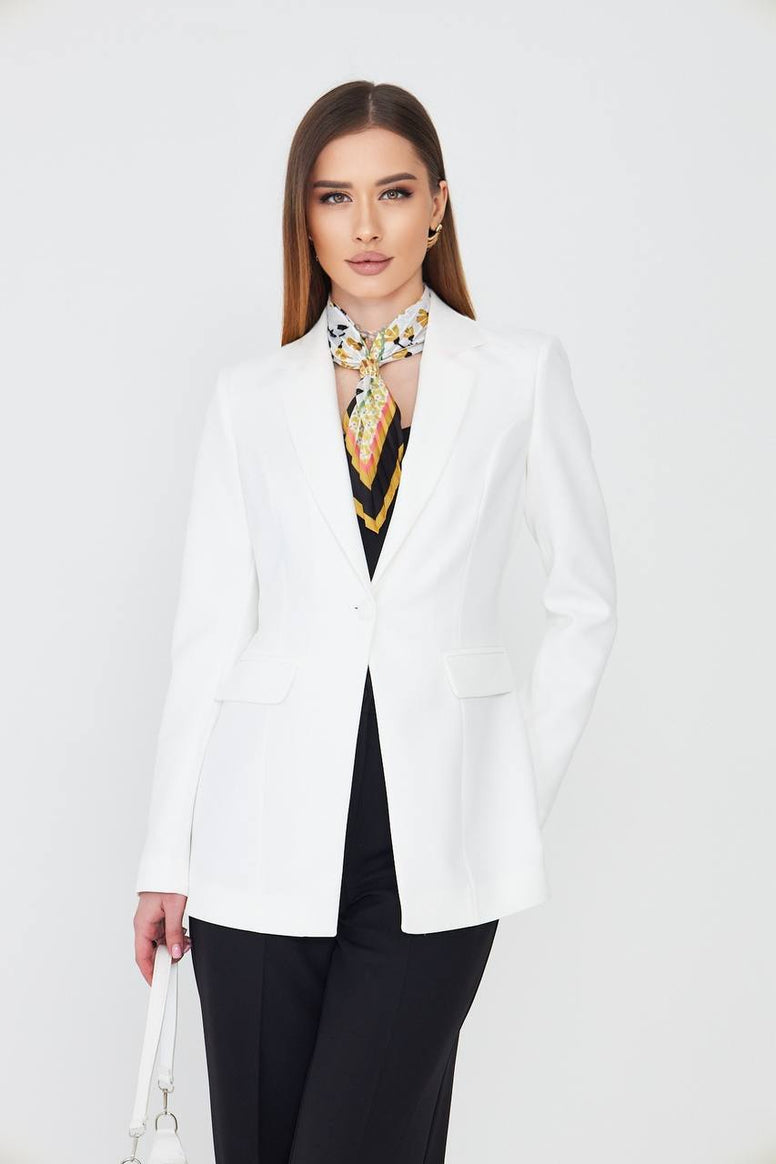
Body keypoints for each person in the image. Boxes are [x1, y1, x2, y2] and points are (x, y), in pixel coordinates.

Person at [132, 80, 618, 1163]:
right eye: (333, 197)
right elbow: (208, 632)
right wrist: (166, 854)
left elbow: (585, 601)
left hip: (439, 833)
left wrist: (511, 796)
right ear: (303, 217)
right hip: (257, 834)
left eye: (392, 193)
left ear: (436, 206)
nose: (364, 226)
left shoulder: (519, 374)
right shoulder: (248, 397)